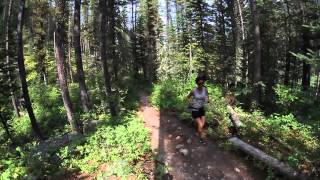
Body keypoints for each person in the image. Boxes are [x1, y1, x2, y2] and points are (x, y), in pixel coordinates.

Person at [187, 76, 209, 142]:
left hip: (202, 108)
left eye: (202, 83)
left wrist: (207, 100)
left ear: (203, 83)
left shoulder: (205, 89)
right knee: (200, 124)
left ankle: (199, 132)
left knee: (203, 124)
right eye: (199, 84)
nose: (201, 85)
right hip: (195, 109)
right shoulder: (194, 90)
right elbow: (188, 97)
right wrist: (191, 102)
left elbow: (207, 96)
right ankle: (202, 138)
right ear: (197, 83)